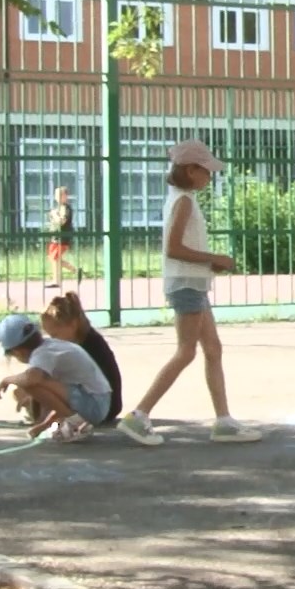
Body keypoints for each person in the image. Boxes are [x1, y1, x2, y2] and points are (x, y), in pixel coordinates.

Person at [118, 139, 260, 447]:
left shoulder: (183, 198)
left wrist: (209, 264)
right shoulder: (183, 201)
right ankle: (139, 415)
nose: (211, 177)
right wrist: (214, 259)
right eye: (207, 171)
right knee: (186, 352)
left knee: (213, 349)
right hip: (185, 284)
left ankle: (223, 421)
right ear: (191, 170)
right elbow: (174, 248)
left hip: (192, 282)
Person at [0, 314, 113, 443]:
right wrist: (44, 425)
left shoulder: (43, 354)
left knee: (31, 384)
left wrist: (7, 380)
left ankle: (76, 424)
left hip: (94, 405)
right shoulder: (50, 346)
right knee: (36, 382)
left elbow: (32, 380)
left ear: (17, 351)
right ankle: (73, 421)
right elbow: (61, 400)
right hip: (98, 402)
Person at [40, 291, 122, 428]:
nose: (53, 340)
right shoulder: (80, 340)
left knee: (42, 384)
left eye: (55, 335)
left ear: (72, 324)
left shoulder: (86, 346)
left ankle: (56, 419)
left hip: (104, 406)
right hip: (102, 403)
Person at [45, 186, 83, 289]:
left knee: (55, 258)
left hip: (63, 237)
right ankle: (73, 271)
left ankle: (58, 280)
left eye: (59, 195)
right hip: (56, 236)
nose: (56, 197)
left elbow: (62, 222)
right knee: (53, 258)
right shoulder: (58, 208)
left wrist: (54, 215)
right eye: (56, 195)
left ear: (65, 196)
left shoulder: (66, 208)